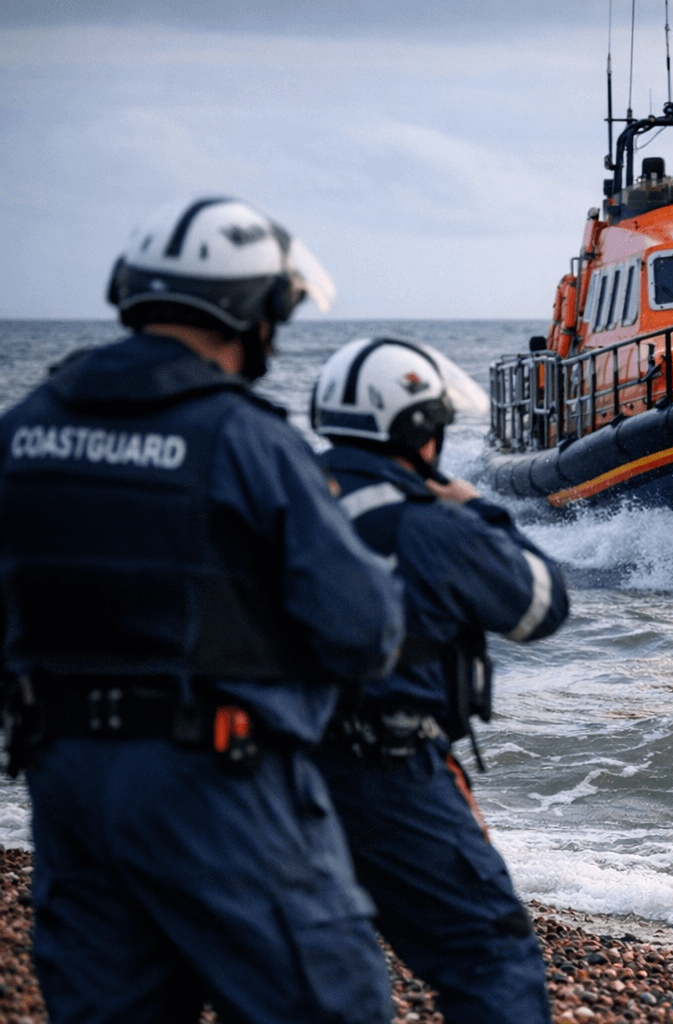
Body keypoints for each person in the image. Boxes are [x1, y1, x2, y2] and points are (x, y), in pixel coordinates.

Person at [0, 197, 405, 1023]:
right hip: (216, 780)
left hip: (63, 776)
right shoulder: (246, 439)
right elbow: (365, 627)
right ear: (255, 316)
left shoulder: (24, 429)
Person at [310, 337, 571, 1024]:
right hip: (391, 776)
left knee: (323, 965)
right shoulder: (429, 525)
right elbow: (542, 608)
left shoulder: (276, 505)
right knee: (492, 953)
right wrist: (480, 511)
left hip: (267, 770)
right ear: (418, 431)